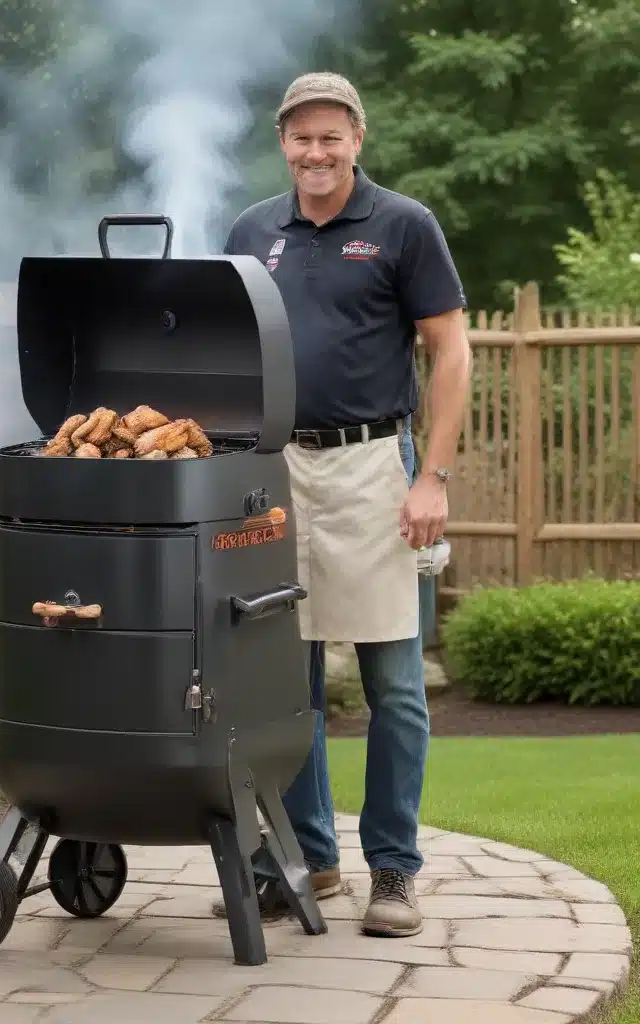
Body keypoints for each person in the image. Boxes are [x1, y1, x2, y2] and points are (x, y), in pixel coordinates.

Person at [212, 71, 472, 937]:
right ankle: (305, 860)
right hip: (277, 474)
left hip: (374, 469)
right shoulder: (253, 230)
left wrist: (430, 475)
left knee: (394, 682)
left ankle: (393, 872)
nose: (315, 152)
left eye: (331, 136)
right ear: (282, 142)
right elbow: (225, 354)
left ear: (357, 138)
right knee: (288, 683)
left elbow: (450, 351)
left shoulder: (404, 226)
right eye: (300, 137)